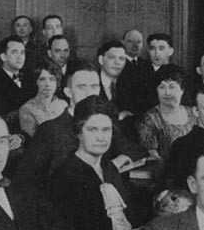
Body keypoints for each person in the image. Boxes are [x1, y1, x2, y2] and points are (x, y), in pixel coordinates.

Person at [16, 66, 144, 194]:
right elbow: (26, 178)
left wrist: (115, 164)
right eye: (82, 87)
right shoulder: (50, 130)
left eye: (94, 87)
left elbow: (134, 149)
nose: (90, 93)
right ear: (68, 92)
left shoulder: (104, 124)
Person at [48, 97, 138, 230]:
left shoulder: (109, 169)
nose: (101, 137)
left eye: (106, 130)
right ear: (78, 132)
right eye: (92, 130)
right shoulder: (64, 176)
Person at [135, 64, 194, 163]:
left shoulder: (194, 113)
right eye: (162, 87)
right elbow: (153, 156)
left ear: (182, 90)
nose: (167, 93)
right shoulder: (150, 119)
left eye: (172, 87)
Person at [0, 36, 32, 121]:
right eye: (14, 52)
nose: (19, 57)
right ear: (3, 57)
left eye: (22, 53)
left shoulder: (30, 79)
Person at [17, 63, 68, 137]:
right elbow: (33, 139)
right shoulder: (27, 109)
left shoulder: (63, 105)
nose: (47, 84)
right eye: (42, 79)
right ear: (35, 82)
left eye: (52, 79)